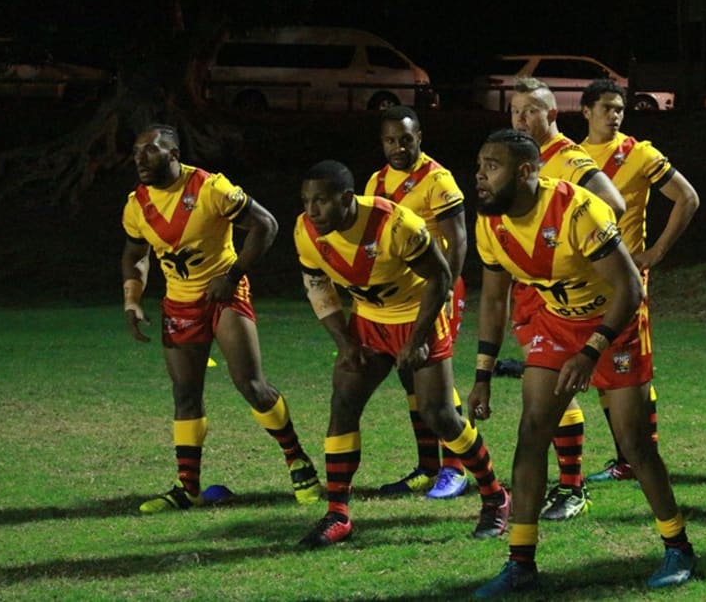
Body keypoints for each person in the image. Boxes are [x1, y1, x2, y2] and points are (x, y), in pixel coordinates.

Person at [469, 129, 695, 597]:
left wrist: (592, 350)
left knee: (634, 443)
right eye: (480, 166)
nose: (480, 177)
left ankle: (678, 547)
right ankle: (521, 562)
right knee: (532, 431)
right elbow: (493, 301)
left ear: (527, 171)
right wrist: (483, 375)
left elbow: (630, 289)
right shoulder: (490, 223)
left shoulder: (577, 210)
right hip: (557, 326)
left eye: (493, 166)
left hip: (615, 325)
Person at [294, 160, 508, 547]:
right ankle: (337, 513)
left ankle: (495, 496)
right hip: (369, 321)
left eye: (321, 201)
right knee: (343, 402)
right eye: (306, 200)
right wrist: (345, 342)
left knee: (439, 415)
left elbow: (441, 276)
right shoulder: (305, 231)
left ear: (346, 199)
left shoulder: (396, 225)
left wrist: (418, 337)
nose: (312, 210)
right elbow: (317, 285)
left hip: (417, 315)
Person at [120, 124, 321, 513]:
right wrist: (132, 298)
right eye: (136, 151)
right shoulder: (136, 204)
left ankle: (297, 459)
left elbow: (267, 225)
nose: (140, 158)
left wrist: (231, 277)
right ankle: (188, 488)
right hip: (179, 304)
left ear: (174, 154)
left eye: (150, 150)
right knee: (185, 394)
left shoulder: (210, 189)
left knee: (250, 383)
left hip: (225, 296)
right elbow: (134, 253)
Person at [507, 77, 626, 520]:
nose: (520, 118)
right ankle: (564, 484)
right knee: (545, 398)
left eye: (530, 110)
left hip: (567, 294)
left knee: (561, 390)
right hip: (532, 290)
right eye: (515, 110)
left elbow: (614, 205)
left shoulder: (569, 159)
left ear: (552, 115)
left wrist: (573, 252)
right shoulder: (521, 160)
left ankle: (572, 486)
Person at [577, 79, 700, 482]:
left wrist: (656, 252)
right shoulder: (572, 157)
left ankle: (640, 455)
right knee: (601, 370)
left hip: (627, 282)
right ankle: (625, 457)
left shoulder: (639, 153)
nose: (614, 116)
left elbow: (687, 197)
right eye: (607, 108)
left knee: (633, 370)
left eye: (619, 109)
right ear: (586, 111)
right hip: (587, 283)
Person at [365, 106, 471, 500]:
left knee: (435, 373)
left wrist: (446, 290)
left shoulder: (437, 180)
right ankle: (428, 466)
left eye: (405, 139)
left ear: (419, 137)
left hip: (435, 291)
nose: (398, 147)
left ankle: (456, 467)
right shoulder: (377, 181)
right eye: (391, 140)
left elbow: (458, 239)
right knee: (409, 372)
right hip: (399, 298)